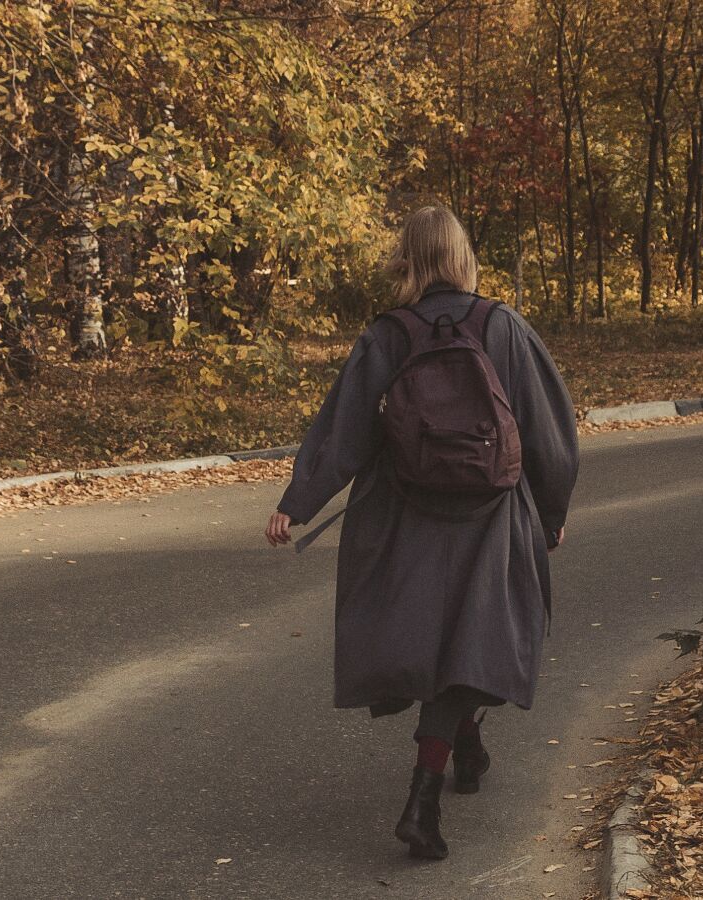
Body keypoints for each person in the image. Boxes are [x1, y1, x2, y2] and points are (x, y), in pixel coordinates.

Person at [265, 205, 579, 860]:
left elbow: (346, 431)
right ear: (463, 256)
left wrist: (297, 501)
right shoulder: (504, 327)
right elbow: (549, 431)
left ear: (407, 260)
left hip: (404, 515)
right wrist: (549, 515)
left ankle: (466, 745)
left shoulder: (387, 336)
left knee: (440, 642)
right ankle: (422, 798)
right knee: (478, 637)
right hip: (491, 514)